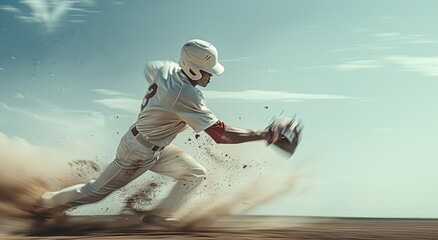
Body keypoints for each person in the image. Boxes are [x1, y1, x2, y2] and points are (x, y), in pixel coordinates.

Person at [35, 39, 280, 223]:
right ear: (193, 69)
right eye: (208, 71)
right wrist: (266, 135)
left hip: (154, 147)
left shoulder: (166, 68)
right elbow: (220, 135)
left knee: (195, 174)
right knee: (95, 192)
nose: (211, 76)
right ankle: (45, 203)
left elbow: (149, 68)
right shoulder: (186, 94)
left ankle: (159, 216)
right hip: (137, 152)